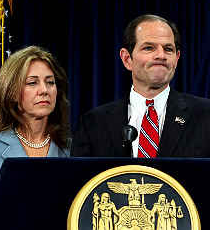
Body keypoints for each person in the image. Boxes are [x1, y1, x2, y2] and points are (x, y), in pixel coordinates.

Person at [71, 14, 210, 157]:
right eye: (149, 48)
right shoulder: (94, 123)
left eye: (168, 49)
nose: (161, 55)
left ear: (177, 58)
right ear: (127, 59)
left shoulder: (205, 115)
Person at [0, 45, 71, 230]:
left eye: (50, 82)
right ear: (13, 91)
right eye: (32, 83)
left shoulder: (71, 148)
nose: (44, 90)